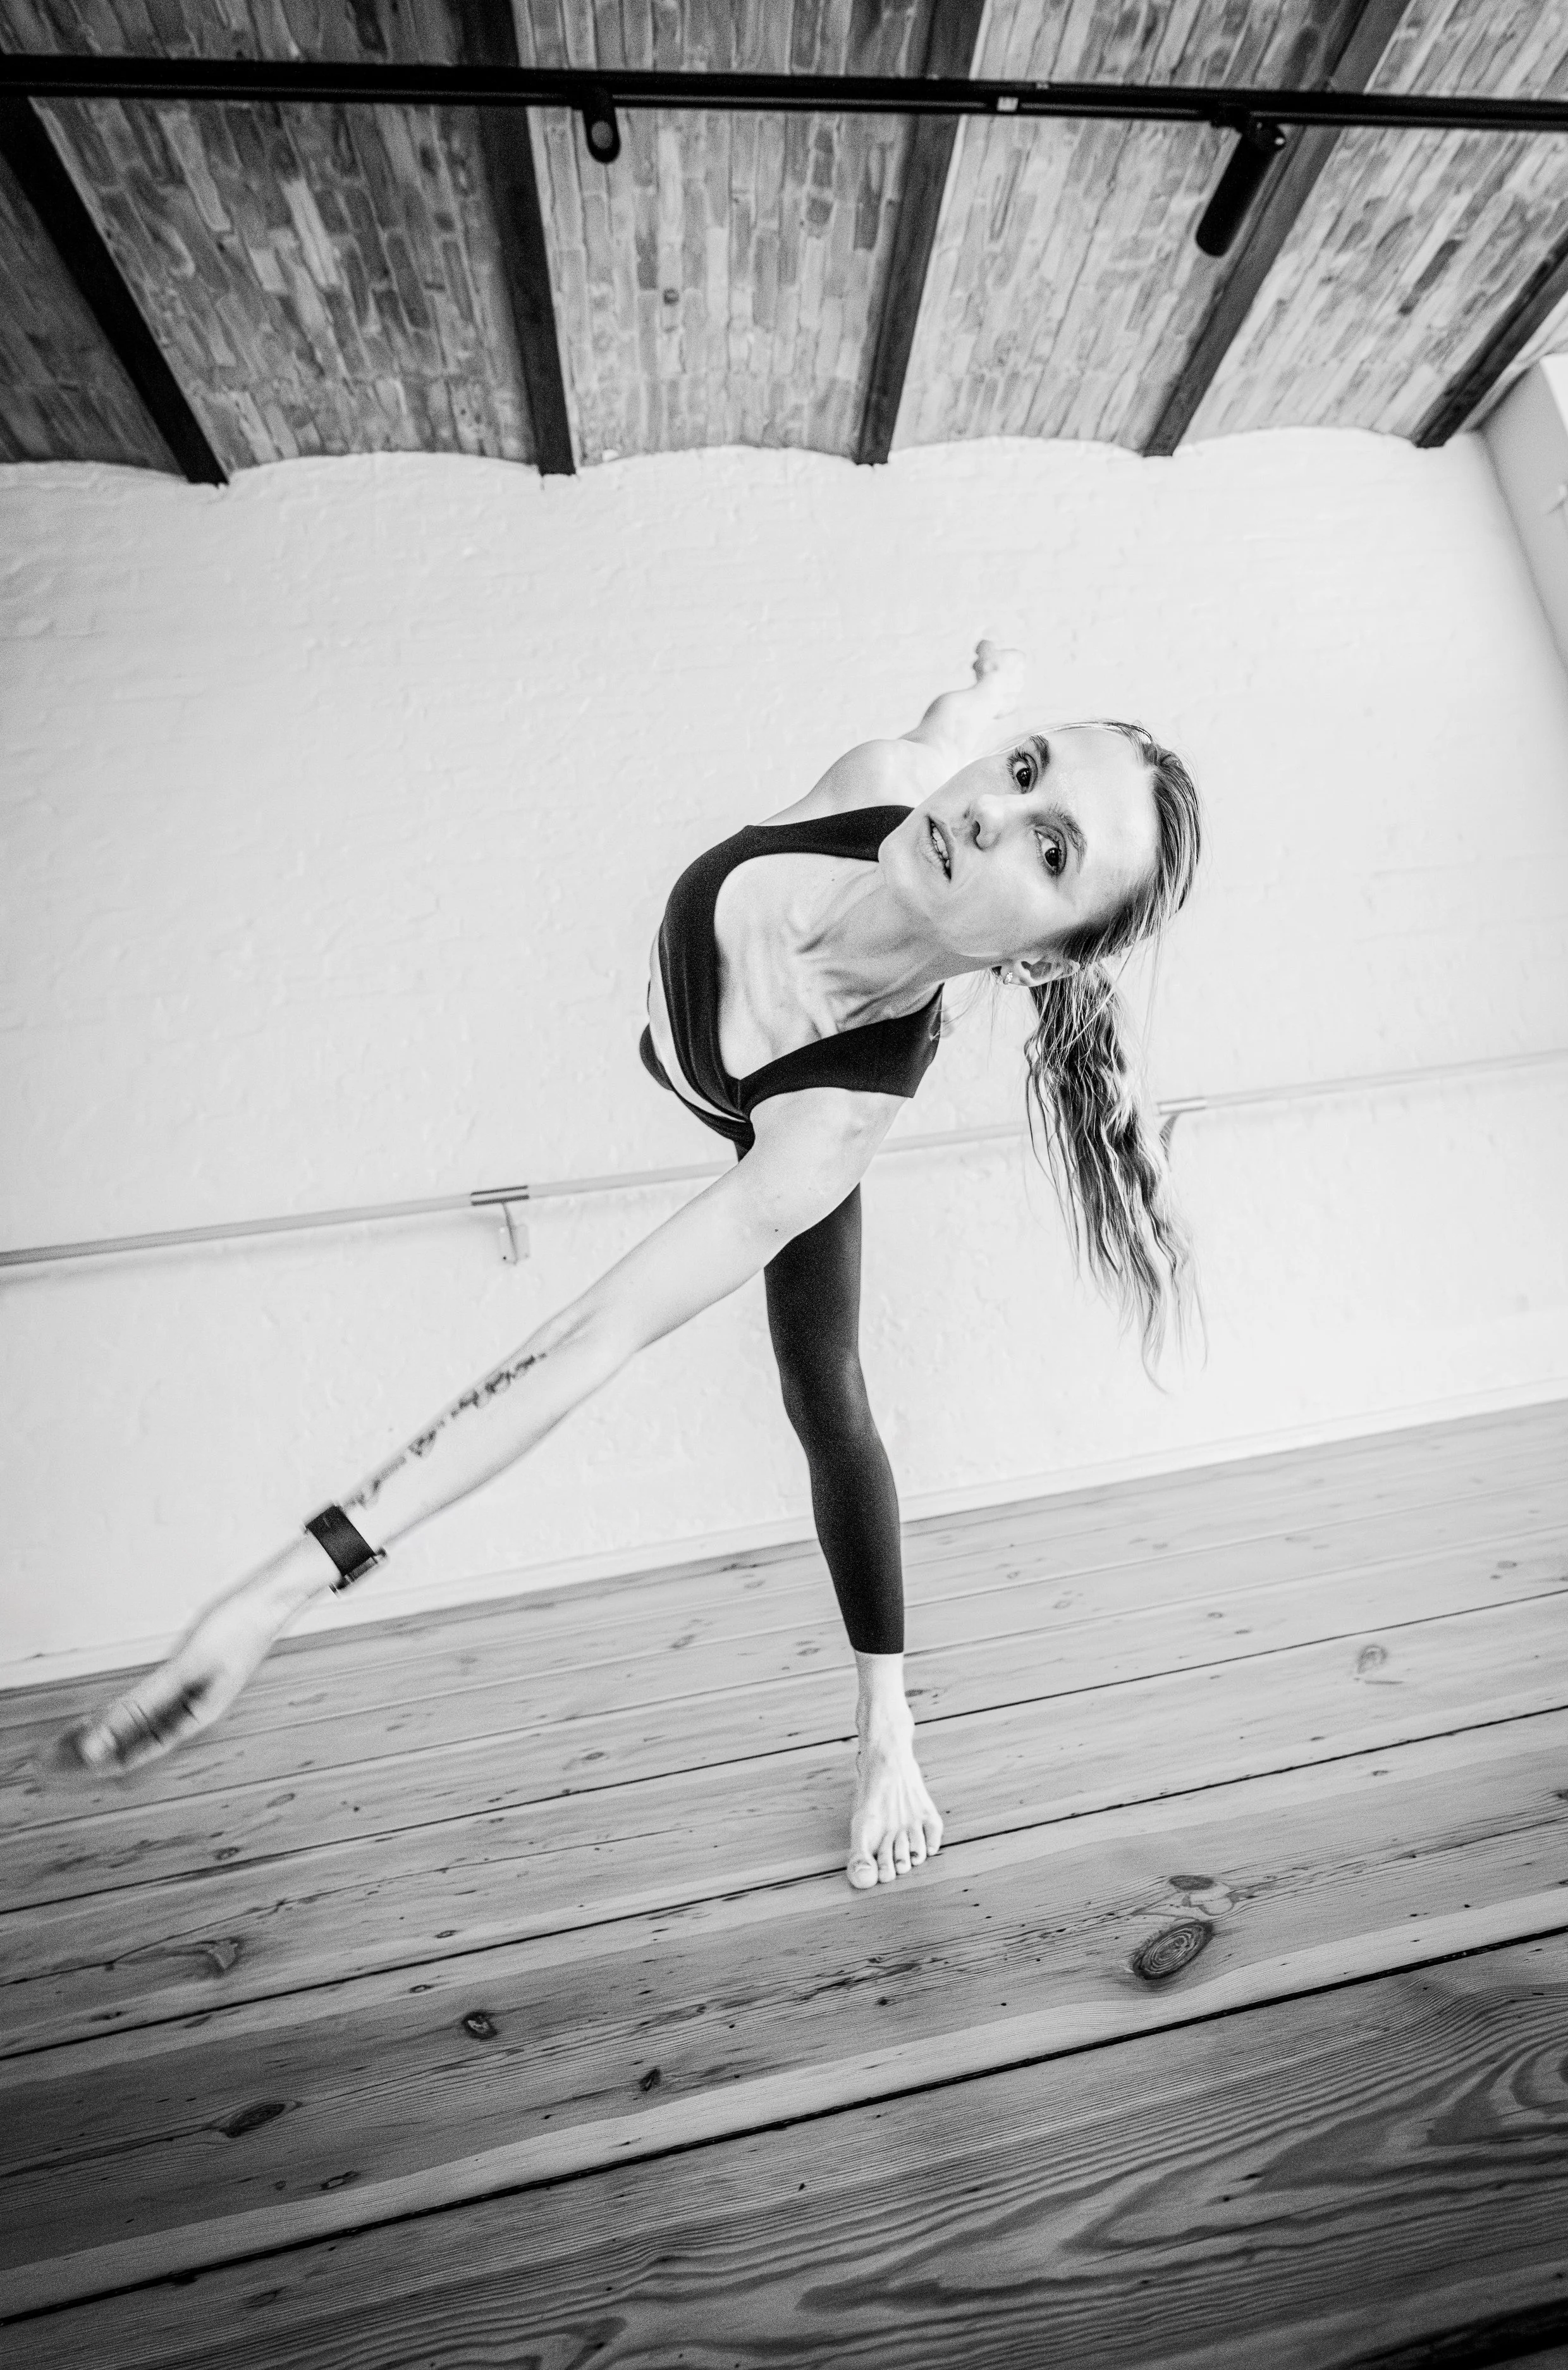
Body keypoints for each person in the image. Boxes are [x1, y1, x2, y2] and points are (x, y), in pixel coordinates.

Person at [64, 640, 1202, 1893]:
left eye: (1050, 851)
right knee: (941, 726)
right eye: (1022, 766)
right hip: (714, 1036)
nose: (990, 812)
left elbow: (588, 1338)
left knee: (827, 1393)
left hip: (760, 1100)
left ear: (1040, 961)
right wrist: (989, 690)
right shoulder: (887, 780)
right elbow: (947, 732)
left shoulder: (827, 1131)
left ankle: (888, 1726)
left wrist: (285, 1585)